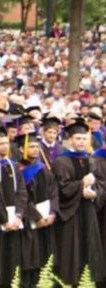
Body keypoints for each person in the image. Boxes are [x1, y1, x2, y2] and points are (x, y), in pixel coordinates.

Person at [53, 121, 106, 285]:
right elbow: (60, 188)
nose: (82, 142)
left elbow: (101, 183)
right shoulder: (61, 161)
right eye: (78, 138)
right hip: (71, 212)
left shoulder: (91, 160)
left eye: (84, 138)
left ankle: (89, 280)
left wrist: (95, 193)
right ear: (70, 140)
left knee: (89, 244)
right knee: (72, 247)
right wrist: (80, 187)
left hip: (88, 209)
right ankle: (70, 281)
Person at [0, 126, 27, 286]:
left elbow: (22, 192)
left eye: (7, 143)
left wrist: (18, 215)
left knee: (14, 258)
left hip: (15, 221)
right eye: (1, 143)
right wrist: (3, 219)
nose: (5, 146)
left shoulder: (14, 165)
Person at [15, 132, 58, 286]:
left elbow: (54, 192)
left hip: (47, 221)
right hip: (29, 222)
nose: (35, 150)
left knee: (45, 258)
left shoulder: (44, 168)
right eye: (31, 146)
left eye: (37, 147)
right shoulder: (18, 170)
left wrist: (52, 213)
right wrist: (37, 217)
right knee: (30, 258)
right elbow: (21, 196)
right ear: (21, 149)